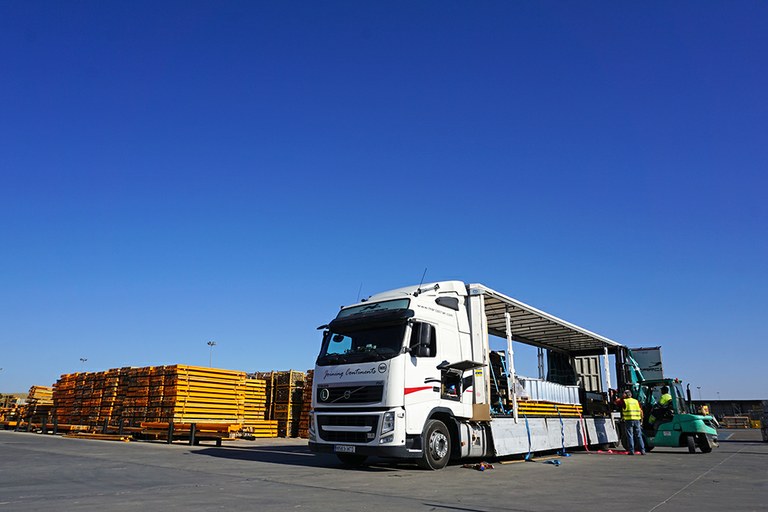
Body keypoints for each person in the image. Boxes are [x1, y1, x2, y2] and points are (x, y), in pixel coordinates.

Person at [616, 390, 645, 455]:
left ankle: (631, 451)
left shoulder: (624, 401)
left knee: (630, 435)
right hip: (637, 420)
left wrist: (621, 397)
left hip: (629, 420)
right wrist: (641, 419)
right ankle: (642, 450)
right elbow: (641, 410)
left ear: (625, 395)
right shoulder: (636, 401)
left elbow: (616, 403)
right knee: (638, 435)